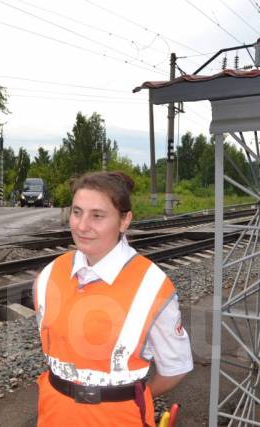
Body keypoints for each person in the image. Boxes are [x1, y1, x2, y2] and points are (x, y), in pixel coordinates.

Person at [33, 171, 193, 426]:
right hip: (53, 414)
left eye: (97, 215)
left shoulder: (152, 285)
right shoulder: (49, 274)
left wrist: (134, 396)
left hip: (118, 418)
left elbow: (176, 367)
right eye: (77, 212)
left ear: (124, 220)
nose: (82, 225)